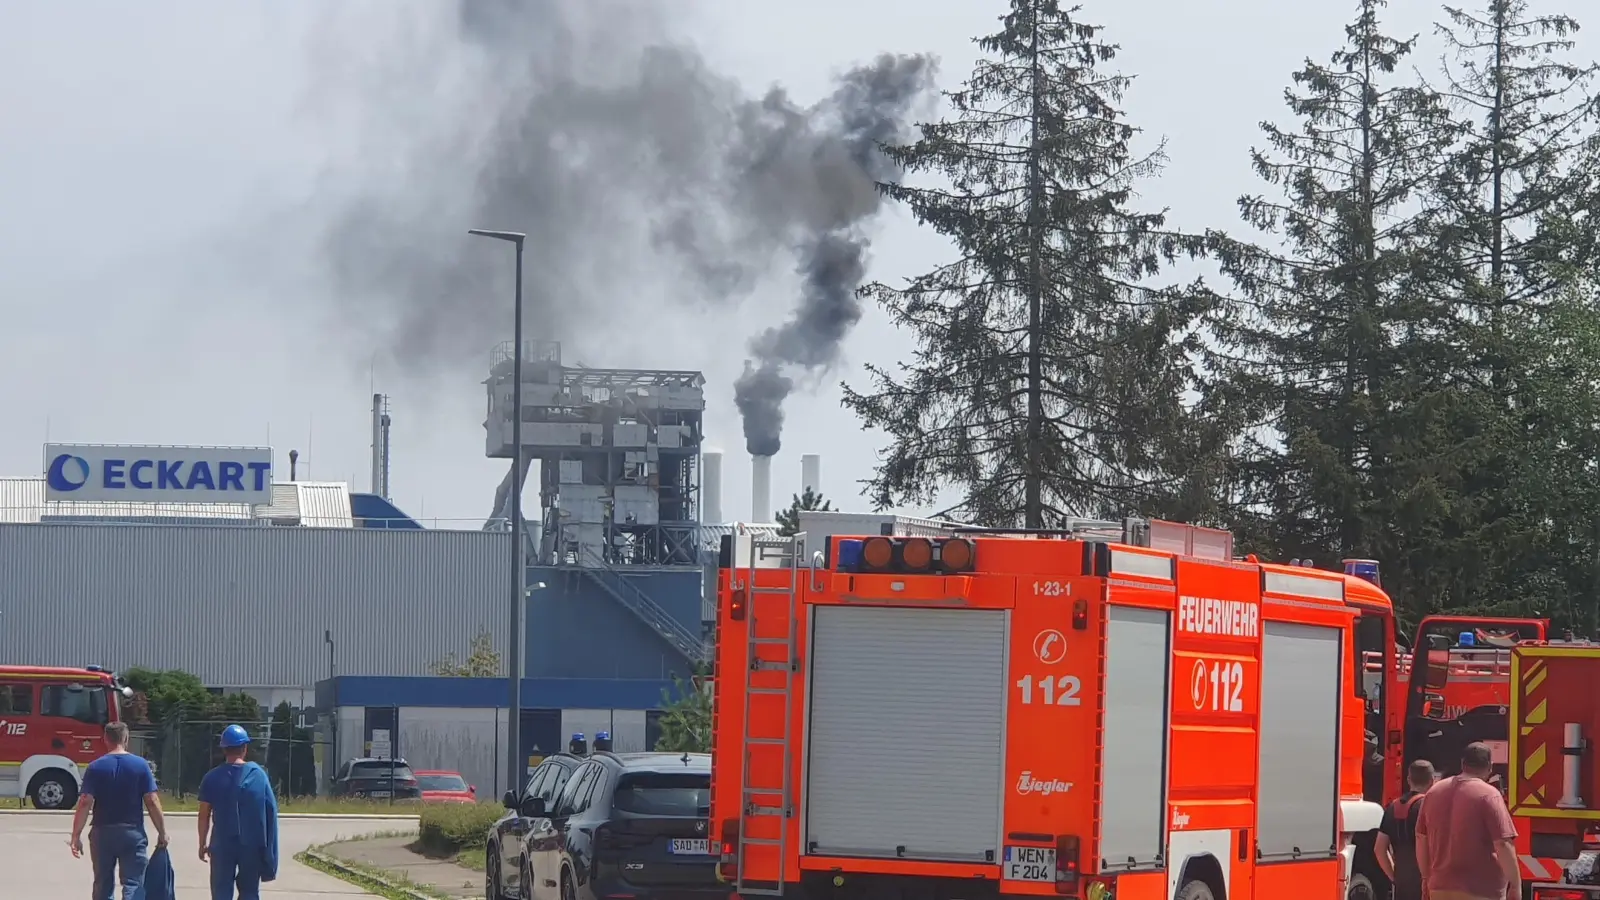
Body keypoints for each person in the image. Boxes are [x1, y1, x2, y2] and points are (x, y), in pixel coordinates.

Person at [68, 721, 170, 900]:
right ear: (126, 738)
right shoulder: (140, 765)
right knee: (133, 884)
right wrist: (162, 832)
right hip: (132, 833)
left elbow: (85, 802)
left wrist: (76, 835)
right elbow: (152, 801)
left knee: (103, 883)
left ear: (105, 739)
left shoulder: (95, 767)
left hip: (102, 833)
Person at [1417, 742, 1520, 900]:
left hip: (1440, 888)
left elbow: (1421, 838)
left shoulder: (1433, 792)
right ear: (1490, 767)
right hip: (1480, 890)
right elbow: (1502, 844)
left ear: (1462, 763)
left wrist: (1426, 878)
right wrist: (1516, 885)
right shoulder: (1489, 795)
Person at [197, 724, 280, 900]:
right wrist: (268, 849)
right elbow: (270, 812)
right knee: (249, 891)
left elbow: (204, 815)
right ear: (245, 748)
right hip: (251, 845)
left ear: (224, 749)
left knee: (221, 891)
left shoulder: (211, 777)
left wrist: (202, 843)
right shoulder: (258, 775)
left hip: (222, 844)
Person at [1376, 759, 1436, 900]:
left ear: (1409, 779)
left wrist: (1394, 877)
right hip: (1427, 885)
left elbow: (1379, 849)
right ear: (1432, 781)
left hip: (1402, 885)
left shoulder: (1392, 807)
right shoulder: (1430, 807)